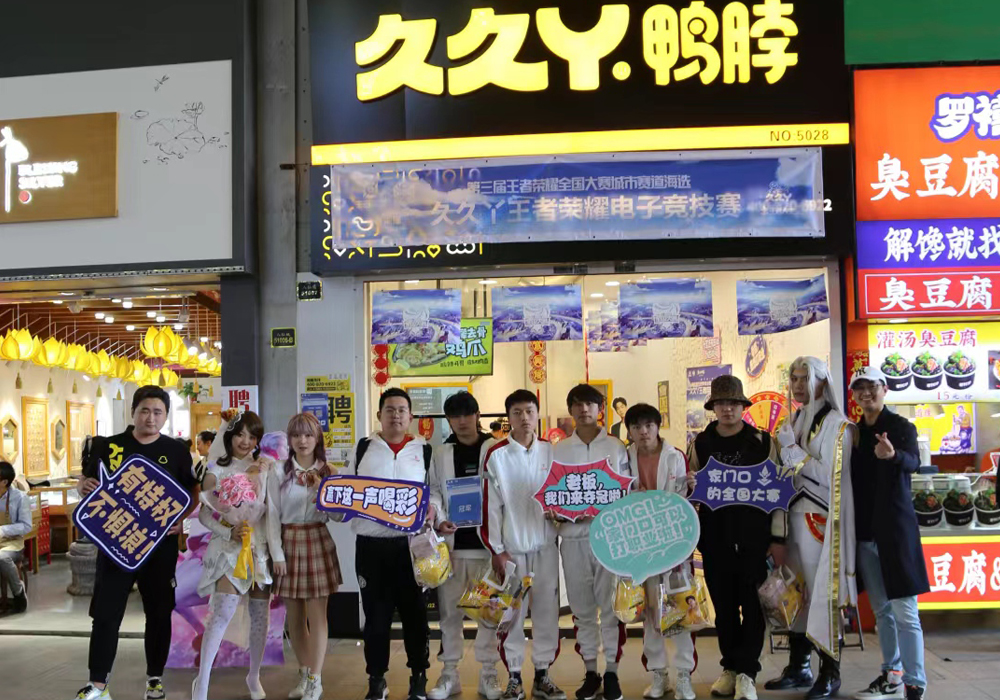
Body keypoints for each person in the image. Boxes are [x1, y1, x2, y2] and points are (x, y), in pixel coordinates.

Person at [72, 385, 197, 700]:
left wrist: (182, 520)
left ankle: (155, 678)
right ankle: (98, 684)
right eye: (144, 411)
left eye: (157, 412)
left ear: (166, 416)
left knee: (158, 613)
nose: (150, 418)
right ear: (133, 412)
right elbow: (87, 483)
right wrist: (82, 486)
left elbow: (191, 493)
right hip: (115, 546)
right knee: (105, 614)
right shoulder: (109, 446)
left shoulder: (177, 451)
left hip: (159, 547)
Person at [687, 375, 785, 700]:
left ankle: (747, 673)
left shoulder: (763, 441)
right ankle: (729, 668)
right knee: (725, 609)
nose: (727, 409)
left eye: (733, 403)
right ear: (713, 407)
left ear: (743, 406)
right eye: (721, 403)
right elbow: (689, 495)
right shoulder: (701, 444)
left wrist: (778, 538)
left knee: (754, 607)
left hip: (755, 539)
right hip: (715, 539)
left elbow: (779, 491)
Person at [765, 357, 857, 700]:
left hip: (821, 521)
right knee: (796, 595)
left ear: (822, 381)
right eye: (794, 378)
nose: (799, 385)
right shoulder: (794, 419)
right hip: (793, 520)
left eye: (806, 378)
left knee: (822, 597)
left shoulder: (839, 426)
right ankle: (798, 666)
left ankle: (830, 673)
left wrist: (792, 451)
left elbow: (830, 476)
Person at [849, 367, 929, 700]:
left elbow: (915, 462)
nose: (865, 393)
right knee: (882, 610)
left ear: (884, 389)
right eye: (859, 388)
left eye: (871, 386)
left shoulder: (900, 427)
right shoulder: (854, 434)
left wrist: (894, 455)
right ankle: (891, 674)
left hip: (895, 532)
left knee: (905, 611)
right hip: (865, 534)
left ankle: (915, 682)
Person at [192, 409, 283, 700]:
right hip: (228, 551)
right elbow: (205, 514)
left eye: (252, 436)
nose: (245, 441)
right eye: (240, 434)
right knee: (221, 614)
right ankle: (202, 683)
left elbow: (273, 513)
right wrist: (227, 530)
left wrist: (276, 553)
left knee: (260, 617)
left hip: (259, 551)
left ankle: (254, 676)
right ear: (230, 435)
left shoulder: (265, 466)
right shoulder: (216, 469)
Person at [480, 390, 564, 700]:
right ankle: (514, 677)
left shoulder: (552, 453)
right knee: (511, 615)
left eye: (529, 411)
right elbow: (490, 507)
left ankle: (542, 675)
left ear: (537, 413)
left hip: (545, 547)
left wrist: (559, 517)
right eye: (517, 412)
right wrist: (497, 551)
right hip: (512, 551)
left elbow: (562, 496)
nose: (524, 418)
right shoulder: (497, 455)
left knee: (546, 613)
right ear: (509, 418)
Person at [353, 388, 433, 700]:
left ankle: (419, 676)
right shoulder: (364, 449)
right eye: (390, 409)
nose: (396, 415)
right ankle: (376, 679)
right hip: (371, 546)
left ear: (410, 416)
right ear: (379, 415)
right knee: (376, 618)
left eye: (402, 410)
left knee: (416, 615)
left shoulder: (423, 451)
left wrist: (434, 509)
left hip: (411, 547)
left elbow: (435, 492)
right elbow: (346, 489)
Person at [554, 384, 630, 700]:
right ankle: (590, 672)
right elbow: (551, 493)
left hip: (609, 539)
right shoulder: (558, 450)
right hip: (573, 539)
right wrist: (555, 512)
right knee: (582, 610)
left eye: (590, 404)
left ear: (600, 409)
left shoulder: (616, 447)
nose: (584, 409)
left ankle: (611, 672)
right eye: (577, 404)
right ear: (570, 409)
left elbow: (627, 492)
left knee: (611, 609)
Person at [427, 391, 502, 700]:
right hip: (453, 548)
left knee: (488, 614)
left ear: (477, 415)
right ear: (448, 420)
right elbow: (433, 491)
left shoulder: (495, 449)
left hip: (488, 549)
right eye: (454, 416)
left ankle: (489, 675)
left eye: (466, 414)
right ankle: (449, 675)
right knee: (449, 615)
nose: (461, 421)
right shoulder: (441, 453)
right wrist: (441, 519)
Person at [623, 404, 696, 700]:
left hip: (673, 544)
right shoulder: (624, 457)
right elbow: (619, 495)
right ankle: (658, 674)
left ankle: (684, 675)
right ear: (629, 431)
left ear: (657, 426)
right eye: (636, 427)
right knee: (648, 610)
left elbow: (683, 498)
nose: (643, 432)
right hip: (640, 545)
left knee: (679, 608)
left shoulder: (675, 456)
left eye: (648, 425)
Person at [277, 413, 344, 700]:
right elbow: (272, 515)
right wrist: (276, 554)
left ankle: (316, 679)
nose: (302, 441)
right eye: (296, 435)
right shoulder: (278, 471)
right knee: (294, 617)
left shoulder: (330, 471)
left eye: (308, 435)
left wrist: (323, 491)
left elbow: (339, 517)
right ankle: (304, 672)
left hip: (317, 538)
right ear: (289, 439)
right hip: (287, 541)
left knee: (318, 616)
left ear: (317, 439)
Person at [0, 461, 31, 614]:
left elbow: (26, 526)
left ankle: (19, 594)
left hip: (13, 543)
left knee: (1, 557)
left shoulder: (20, 498)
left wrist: (3, 530)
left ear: (4, 482)